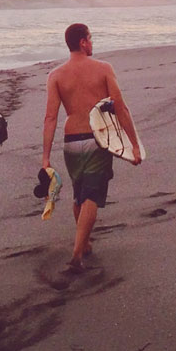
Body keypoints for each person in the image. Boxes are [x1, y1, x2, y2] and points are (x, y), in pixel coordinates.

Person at [40, 23, 142, 272]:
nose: (92, 42)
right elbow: (121, 107)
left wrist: (45, 158)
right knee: (91, 197)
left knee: (79, 195)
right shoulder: (103, 69)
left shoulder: (56, 75)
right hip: (98, 140)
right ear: (83, 42)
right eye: (91, 38)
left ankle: (84, 244)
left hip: (71, 142)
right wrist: (134, 145)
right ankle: (76, 253)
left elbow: (50, 118)